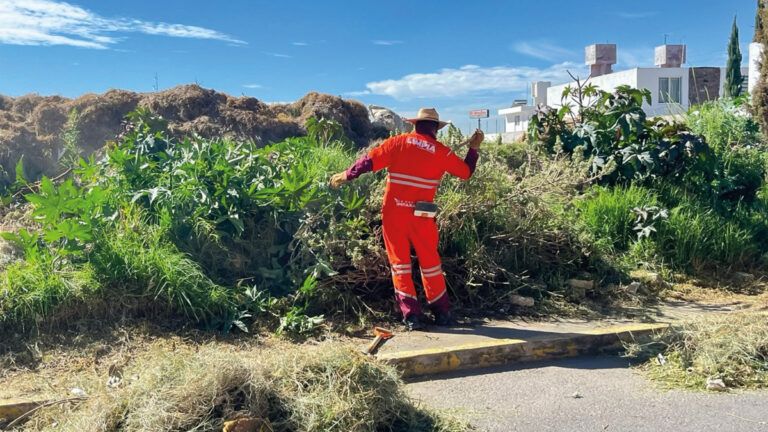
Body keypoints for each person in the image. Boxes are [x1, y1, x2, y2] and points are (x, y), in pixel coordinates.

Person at [330, 108, 483, 330]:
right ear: (436, 129)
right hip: (423, 216)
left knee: (400, 264)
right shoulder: (442, 151)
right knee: (431, 263)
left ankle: (412, 316)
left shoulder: (397, 143)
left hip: (395, 214)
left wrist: (346, 175)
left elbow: (368, 162)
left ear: (415, 125)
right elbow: (466, 172)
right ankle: (442, 314)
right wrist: (473, 149)